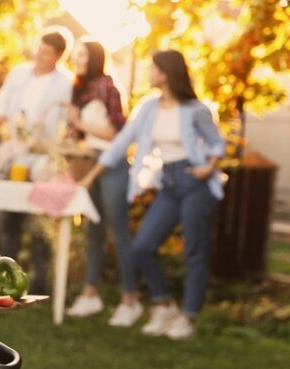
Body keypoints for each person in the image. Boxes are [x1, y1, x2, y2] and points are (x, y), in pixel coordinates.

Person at [79, 50, 226, 339]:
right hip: (169, 182)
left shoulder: (195, 109)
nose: (148, 72)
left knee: (194, 252)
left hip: (195, 183)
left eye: (152, 68)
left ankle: (189, 316)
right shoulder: (148, 108)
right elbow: (121, 142)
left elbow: (216, 144)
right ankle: (164, 304)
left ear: (166, 73)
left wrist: (208, 168)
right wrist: (91, 175)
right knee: (142, 246)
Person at [0, 30, 73, 293]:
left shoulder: (65, 84)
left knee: (40, 220)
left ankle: (40, 283)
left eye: (46, 52)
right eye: (39, 48)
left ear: (58, 56)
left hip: (42, 158)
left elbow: (68, 123)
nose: (39, 55)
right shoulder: (19, 73)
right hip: (14, 152)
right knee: (10, 218)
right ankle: (2, 280)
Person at [63, 40, 141, 326]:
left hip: (112, 167)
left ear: (95, 57)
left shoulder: (107, 87)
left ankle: (130, 299)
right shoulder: (80, 89)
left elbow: (115, 133)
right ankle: (90, 294)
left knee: (119, 233)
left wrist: (79, 123)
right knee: (93, 232)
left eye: (82, 54)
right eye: (76, 54)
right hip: (88, 165)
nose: (77, 58)